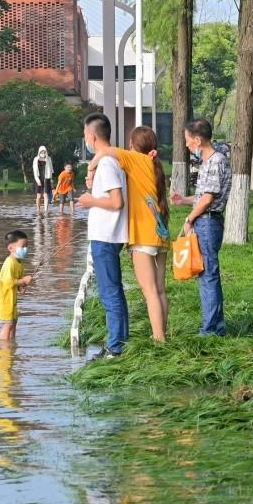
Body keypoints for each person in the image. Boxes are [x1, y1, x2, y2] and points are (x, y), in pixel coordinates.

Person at [89, 126, 171, 341]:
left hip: (143, 235)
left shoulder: (136, 159)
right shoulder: (153, 165)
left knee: (150, 291)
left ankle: (159, 339)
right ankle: (163, 334)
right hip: (160, 233)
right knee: (160, 290)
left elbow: (106, 151)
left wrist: (90, 169)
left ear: (133, 146)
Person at [171, 118, 231, 337]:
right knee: (206, 275)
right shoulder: (208, 162)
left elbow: (207, 200)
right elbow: (201, 197)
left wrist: (189, 219)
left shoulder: (216, 161)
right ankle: (214, 325)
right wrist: (184, 200)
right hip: (205, 218)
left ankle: (212, 330)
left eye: (188, 140)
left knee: (209, 276)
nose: (187, 145)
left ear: (198, 139)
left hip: (207, 221)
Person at [77, 113, 130, 359]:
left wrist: (90, 201)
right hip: (107, 235)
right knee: (113, 290)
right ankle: (119, 341)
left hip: (106, 236)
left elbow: (116, 202)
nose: (85, 139)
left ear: (93, 136)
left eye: (85, 135)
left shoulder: (108, 163)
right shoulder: (109, 161)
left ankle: (116, 346)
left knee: (110, 292)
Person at [0, 229, 34, 342]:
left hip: (11, 300)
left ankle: (12, 343)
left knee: (14, 322)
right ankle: (4, 347)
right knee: (8, 324)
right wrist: (23, 280)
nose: (25, 249)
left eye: (27, 246)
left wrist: (22, 286)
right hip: (3, 299)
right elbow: (8, 282)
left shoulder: (19, 263)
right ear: (10, 248)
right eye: (23, 246)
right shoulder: (9, 263)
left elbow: (17, 284)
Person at [32, 145, 54, 212]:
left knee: (46, 196)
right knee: (38, 196)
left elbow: (51, 169)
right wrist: (37, 180)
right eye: (42, 152)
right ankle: (38, 210)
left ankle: (46, 210)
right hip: (38, 178)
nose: (43, 153)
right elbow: (34, 170)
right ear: (39, 152)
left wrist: (51, 180)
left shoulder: (48, 158)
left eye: (44, 152)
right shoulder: (36, 159)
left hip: (46, 178)